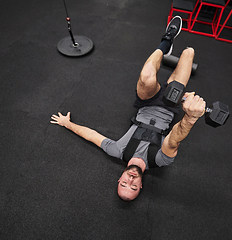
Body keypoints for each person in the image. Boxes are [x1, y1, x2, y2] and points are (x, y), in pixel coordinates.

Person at [50, 16, 206, 201]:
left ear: (119, 179)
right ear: (141, 185)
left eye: (124, 184)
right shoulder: (160, 160)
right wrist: (189, 118)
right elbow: (175, 137)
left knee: (147, 75)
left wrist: (67, 124)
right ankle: (177, 57)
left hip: (146, 102)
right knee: (189, 52)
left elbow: (92, 136)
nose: (130, 181)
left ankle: (167, 40)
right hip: (171, 105)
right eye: (133, 187)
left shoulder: (118, 151)